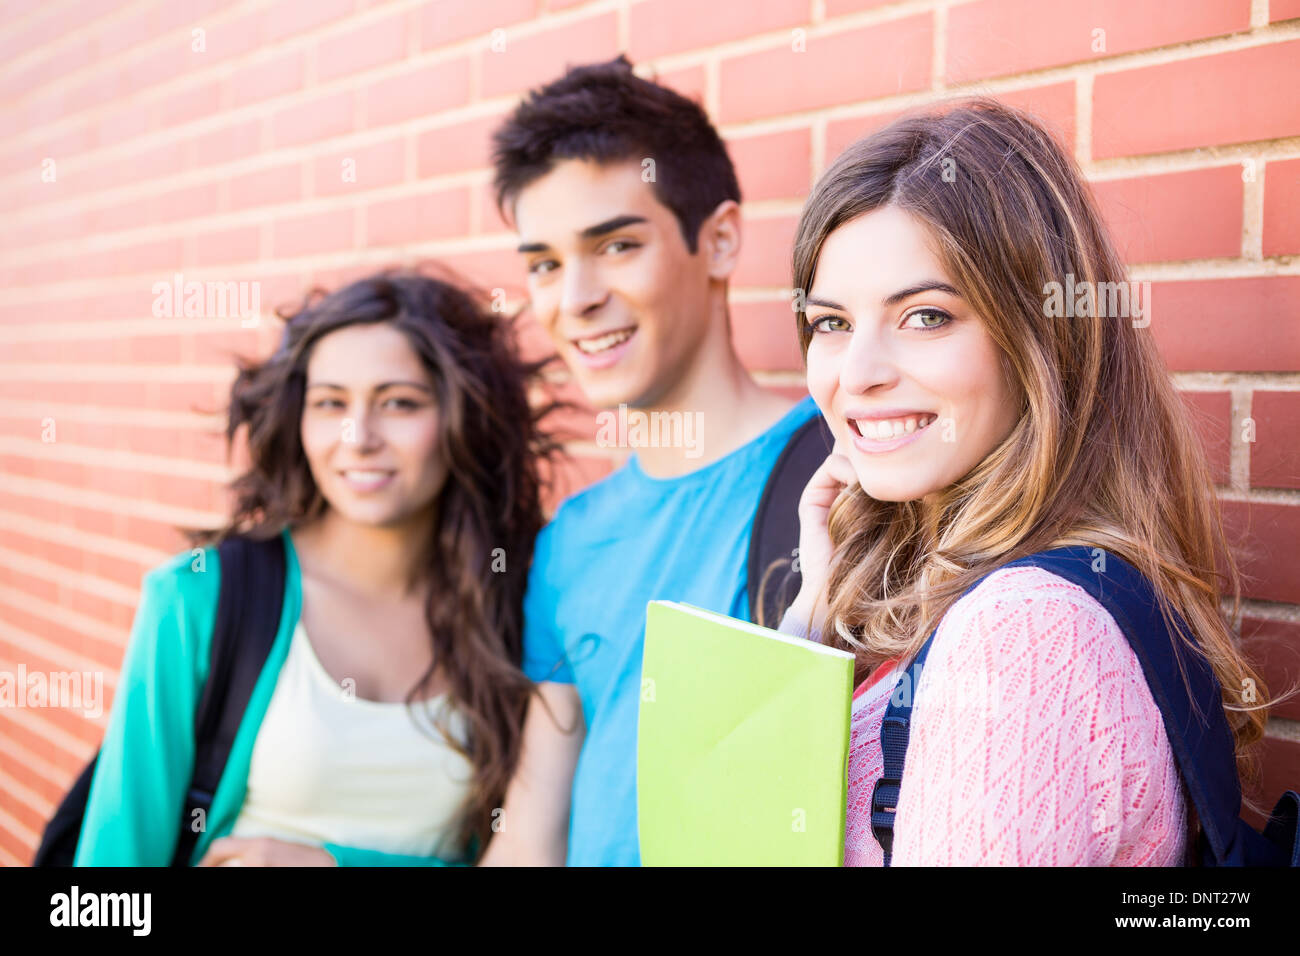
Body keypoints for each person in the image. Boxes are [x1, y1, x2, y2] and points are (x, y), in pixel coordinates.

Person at [778, 98, 1274, 865]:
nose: (859, 375)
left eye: (926, 317)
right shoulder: (993, 597)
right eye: (832, 323)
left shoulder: (1023, 636)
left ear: (1039, 340)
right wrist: (814, 613)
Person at [74, 268, 559, 866]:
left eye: (399, 403)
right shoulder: (199, 599)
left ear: (464, 420)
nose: (358, 438)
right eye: (331, 403)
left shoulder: (510, 611)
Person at [479, 56, 822, 866]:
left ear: (722, 240)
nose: (575, 299)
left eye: (617, 245)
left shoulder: (843, 481)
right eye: (544, 265)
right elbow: (531, 830)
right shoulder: (572, 539)